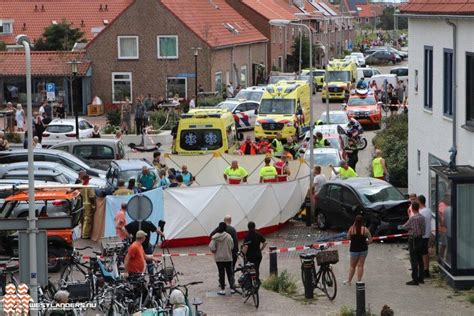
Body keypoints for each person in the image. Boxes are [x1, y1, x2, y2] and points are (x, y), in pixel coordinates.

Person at [401, 201, 425, 285]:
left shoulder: (412, 218)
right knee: (420, 259)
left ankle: (415, 279)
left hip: (413, 239)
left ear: (412, 208)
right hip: (420, 238)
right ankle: (421, 278)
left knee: (413, 259)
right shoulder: (422, 217)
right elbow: (423, 229)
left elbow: (404, 227)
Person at [344, 215, 372, 286]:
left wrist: (353, 226)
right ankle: (359, 281)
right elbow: (370, 240)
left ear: (355, 221)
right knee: (360, 266)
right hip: (363, 250)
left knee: (352, 266)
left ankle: (349, 281)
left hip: (354, 250)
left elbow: (348, 238)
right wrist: (366, 243)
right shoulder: (365, 229)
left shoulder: (352, 229)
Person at [209, 222, 234, 295]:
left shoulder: (215, 237)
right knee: (230, 273)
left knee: (221, 273)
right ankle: (232, 288)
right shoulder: (228, 236)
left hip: (219, 258)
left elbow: (211, 247)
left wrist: (214, 251)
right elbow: (232, 246)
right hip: (228, 257)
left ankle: (222, 289)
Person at [418, 195, 432, 278]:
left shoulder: (422, 212)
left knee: (422, 253)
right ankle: (426, 269)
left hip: (422, 235)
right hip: (426, 234)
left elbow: (420, 224)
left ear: (419, 202)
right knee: (425, 252)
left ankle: (424, 270)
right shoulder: (428, 210)